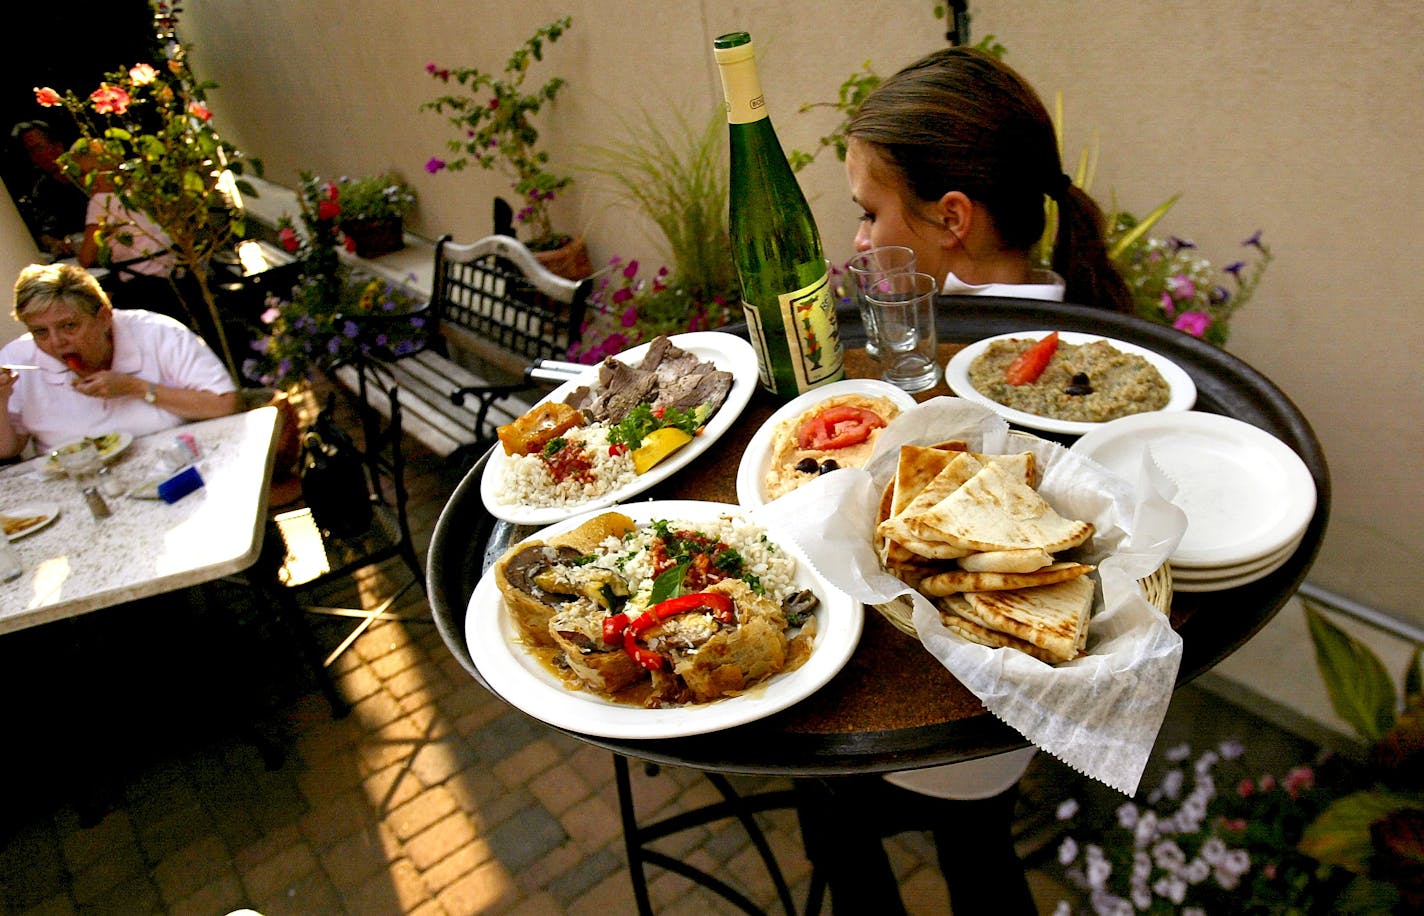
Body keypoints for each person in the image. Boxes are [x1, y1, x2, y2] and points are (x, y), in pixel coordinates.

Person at [794, 47, 1134, 916]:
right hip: (1000, 742)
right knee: (980, 857)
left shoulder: (976, 401)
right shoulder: (1082, 338)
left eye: (869, 215)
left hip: (924, 716)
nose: (861, 242)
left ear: (952, 217)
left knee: (829, 819)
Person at [0, 262, 238, 460]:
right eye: (40, 332)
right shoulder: (17, 358)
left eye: (69, 326)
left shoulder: (157, 333)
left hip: (175, 463)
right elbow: (7, 449)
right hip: (74, 481)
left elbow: (225, 404)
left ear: (104, 317)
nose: (55, 342)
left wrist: (136, 387)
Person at [8, 120, 88, 260]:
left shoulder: (86, 171)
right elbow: (45, 229)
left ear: (57, 146)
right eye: (30, 152)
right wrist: (54, 243)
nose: (36, 156)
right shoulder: (43, 189)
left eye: (39, 148)